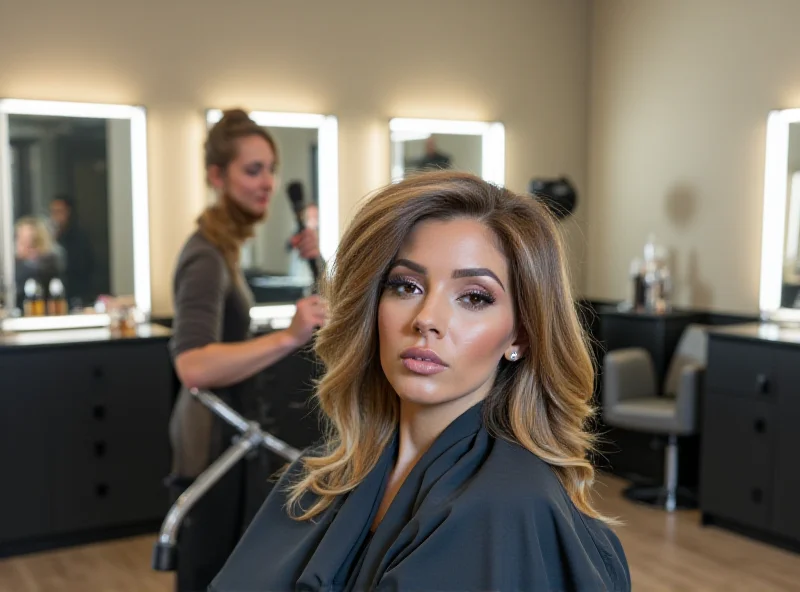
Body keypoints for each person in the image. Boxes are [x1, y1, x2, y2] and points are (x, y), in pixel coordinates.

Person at [210, 171, 631, 591]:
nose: (427, 319)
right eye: (405, 286)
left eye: (474, 297)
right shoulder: (323, 473)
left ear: (520, 334)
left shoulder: (505, 506)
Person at [168, 108, 327, 592]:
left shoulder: (226, 249)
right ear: (217, 176)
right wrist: (288, 337)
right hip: (212, 448)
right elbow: (192, 364)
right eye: (253, 170)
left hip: (232, 442)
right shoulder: (205, 257)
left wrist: (318, 260)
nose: (268, 183)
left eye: (271, 169)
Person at [49, 194, 95, 305]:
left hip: (77, 294)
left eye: (59, 211)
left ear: (68, 212)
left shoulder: (79, 238)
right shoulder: (50, 238)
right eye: (53, 212)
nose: (56, 216)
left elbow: (82, 267)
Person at [13, 216, 63, 308]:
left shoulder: (48, 266)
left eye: (28, 241)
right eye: (19, 239)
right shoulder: (14, 266)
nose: (20, 245)